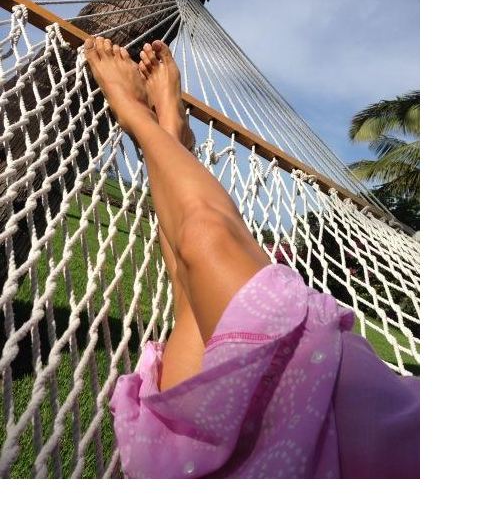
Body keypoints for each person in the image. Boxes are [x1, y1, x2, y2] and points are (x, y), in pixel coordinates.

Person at [83, 36, 420, 479]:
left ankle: (142, 121)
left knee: (206, 238)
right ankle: (169, 135)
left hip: (333, 430)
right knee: (194, 308)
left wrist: (136, 113)